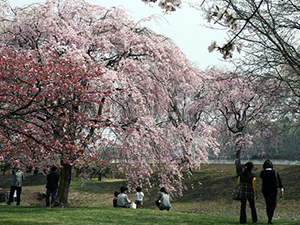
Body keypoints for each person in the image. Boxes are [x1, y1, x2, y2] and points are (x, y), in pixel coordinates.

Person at [260, 159, 284, 225]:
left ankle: (269, 219)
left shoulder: (262, 173)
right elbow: (280, 182)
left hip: (265, 191)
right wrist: (281, 190)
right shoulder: (275, 172)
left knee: (268, 204)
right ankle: (270, 219)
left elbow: (261, 177)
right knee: (273, 204)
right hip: (273, 190)